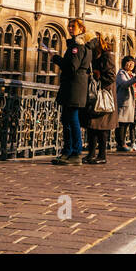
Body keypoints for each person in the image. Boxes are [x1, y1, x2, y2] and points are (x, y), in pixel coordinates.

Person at [52, 19, 92, 165]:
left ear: (81, 28)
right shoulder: (81, 46)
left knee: (72, 120)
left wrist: (56, 59)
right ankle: (67, 151)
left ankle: (75, 152)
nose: (69, 28)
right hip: (75, 87)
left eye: (73, 26)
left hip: (74, 88)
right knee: (67, 120)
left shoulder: (78, 46)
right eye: (69, 26)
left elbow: (71, 67)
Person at [85, 35, 117, 164]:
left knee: (102, 128)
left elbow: (111, 77)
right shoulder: (95, 56)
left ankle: (102, 155)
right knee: (91, 126)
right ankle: (91, 153)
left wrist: (98, 76)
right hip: (95, 94)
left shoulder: (107, 56)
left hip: (104, 95)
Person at [114, 54, 136, 153]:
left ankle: (123, 142)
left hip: (130, 103)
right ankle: (120, 143)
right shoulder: (121, 73)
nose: (130, 65)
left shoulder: (131, 74)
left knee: (127, 123)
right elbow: (125, 84)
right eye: (128, 62)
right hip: (123, 103)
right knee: (121, 124)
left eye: (132, 63)